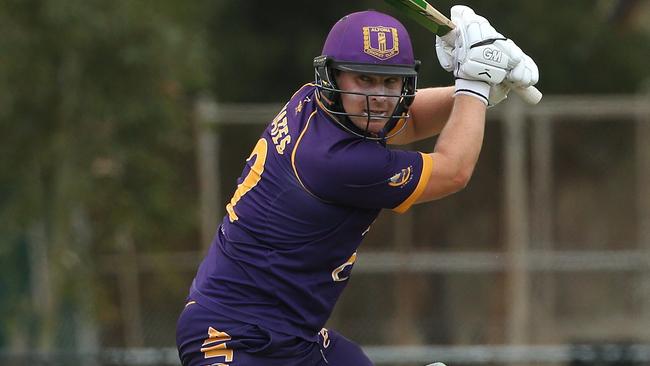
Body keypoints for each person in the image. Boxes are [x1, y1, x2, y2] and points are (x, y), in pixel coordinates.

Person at [176, 6, 538, 366]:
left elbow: (404, 122)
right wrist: (474, 86)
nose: (378, 97)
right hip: (231, 338)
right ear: (332, 78)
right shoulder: (336, 163)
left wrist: (475, 88)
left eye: (390, 81)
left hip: (292, 338)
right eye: (364, 79)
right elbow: (454, 170)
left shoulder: (311, 102)